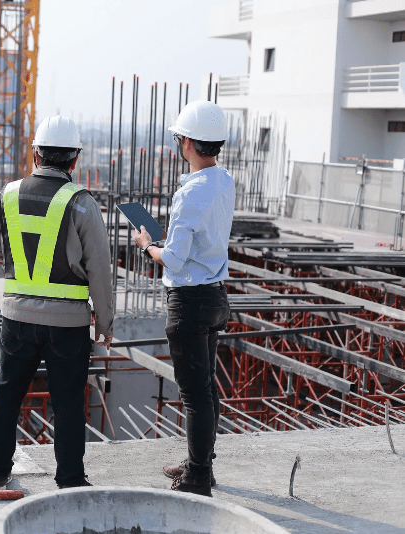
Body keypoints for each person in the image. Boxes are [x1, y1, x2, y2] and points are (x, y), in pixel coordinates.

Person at [0, 115, 114, 490]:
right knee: (69, 402)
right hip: (69, 325)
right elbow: (100, 273)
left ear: (35, 153)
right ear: (74, 160)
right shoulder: (82, 204)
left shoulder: (7, 194)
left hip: (17, 318)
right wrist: (105, 323)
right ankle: (70, 478)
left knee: (7, 393)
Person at [133, 100, 234, 498]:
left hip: (189, 300)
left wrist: (147, 245)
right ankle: (199, 465)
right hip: (215, 296)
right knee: (207, 388)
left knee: (195, 394)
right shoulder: (224, 180)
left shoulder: (189, 192)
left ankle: (197, 479)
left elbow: (173, 258)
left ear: (187, 141)